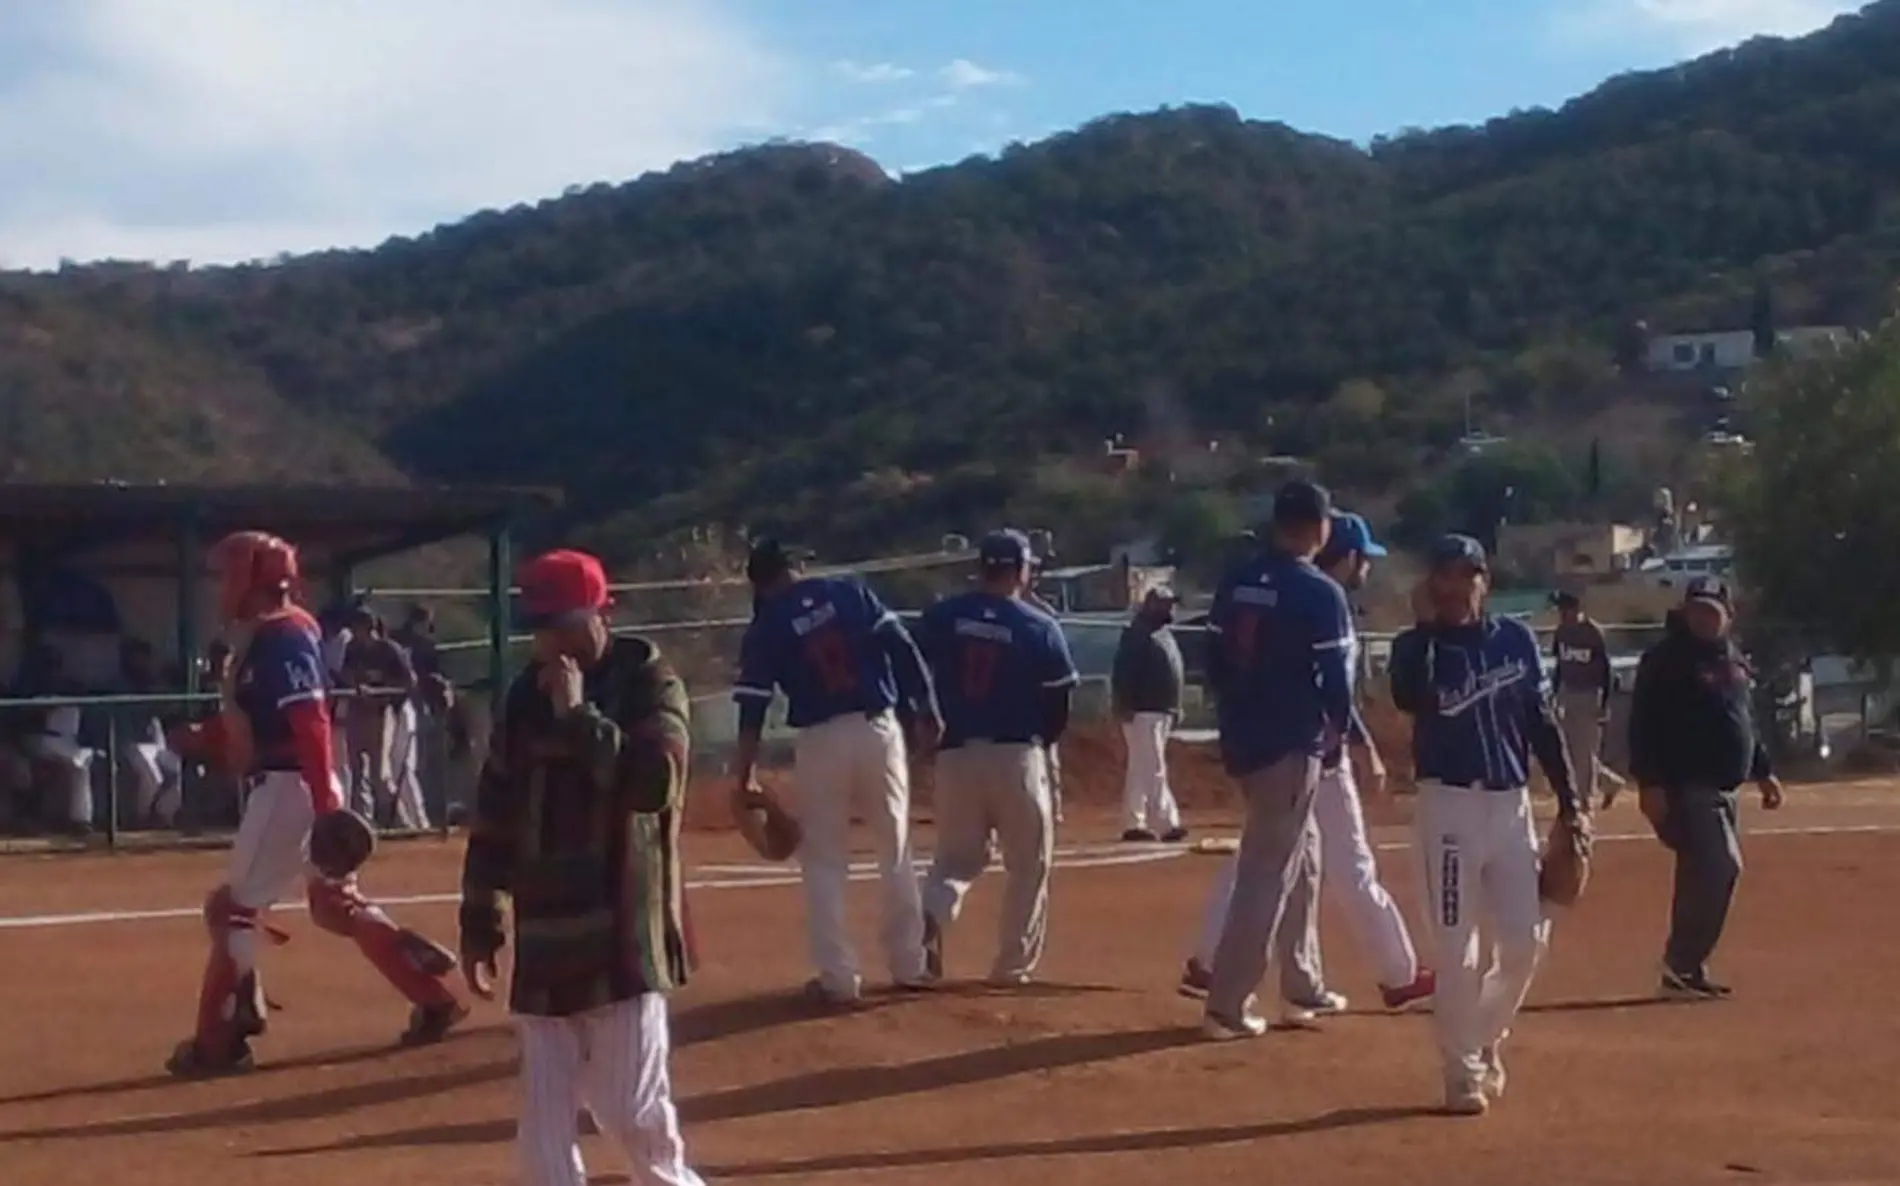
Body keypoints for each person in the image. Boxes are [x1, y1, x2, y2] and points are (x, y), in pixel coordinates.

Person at [166, 530, 464, 1078]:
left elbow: (309, 721)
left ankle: (218, 1041)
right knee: (332, 906)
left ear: (255, 579)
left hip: (292, 785)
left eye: (230, 574)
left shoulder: (283, 638)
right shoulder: (265, 636)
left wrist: (326, 802)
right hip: (301, 780)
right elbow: (267, 721)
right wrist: (206, 734)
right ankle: (433, 994)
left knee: (232, 910)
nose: (222, 586)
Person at [460, 548, 705, 1186]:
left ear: (602, 611)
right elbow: (496, 808)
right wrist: (482, 918)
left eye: (563, 620)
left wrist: (578, 717)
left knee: (632, 1113)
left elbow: (655, 785)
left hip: (624, 932)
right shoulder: (522, 698)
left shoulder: (649, 681)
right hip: (546, 936)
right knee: (542, 1135)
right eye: (540, 622)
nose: (549, 637)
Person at [1182, 511, 1434, 1013]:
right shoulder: (1323, 599)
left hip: (1270, 740)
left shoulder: (1282, 590)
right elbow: (1332, 690)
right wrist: (1356, 745)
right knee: (1343, 863)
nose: (1368, 569)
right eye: (1363, 558)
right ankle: (1397, 974)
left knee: (1277, 860)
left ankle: (1252, 971)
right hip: (1314, 748)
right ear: (1346, 555)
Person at [1388, 534, 1584, 1116]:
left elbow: (1541, 724)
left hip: (1510, 806)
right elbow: (1407, 695)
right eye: (1446, 575)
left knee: (1525, 942)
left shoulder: (1516, 640)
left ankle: (1486, 1036)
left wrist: (1573, 800)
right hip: (1448, 807)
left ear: (1485, 582)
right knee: (1457, 951)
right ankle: (1461, 1070)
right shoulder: (1417, 648)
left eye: (1469, 575)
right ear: (1432, 584)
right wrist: (1424, 629)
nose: (1459, 586)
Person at [731, 538, 942, 1005]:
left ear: (760, 583)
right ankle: (910, 963)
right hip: (877, 729)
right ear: (797, 567)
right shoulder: (850, 592)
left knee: (824, 859)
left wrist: (743, 770)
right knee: (895, 844)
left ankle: (839, 977)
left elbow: (752, 704)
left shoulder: (767, 624)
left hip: (821, 739)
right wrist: (926, 707)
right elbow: (902, 647)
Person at [1198, 481, 1356, 1040]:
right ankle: (1228, 1002)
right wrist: (1344, 734)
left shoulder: (1239, 579)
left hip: (1245, 735)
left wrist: (1235, 712)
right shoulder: (1317, 591)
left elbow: (1212, 660)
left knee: (1303, 855)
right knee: (1268, 870)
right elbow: (1336, 681)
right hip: (1290, 742)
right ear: (1320, 527)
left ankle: (1302, 980)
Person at [913, 529, 1079, 985]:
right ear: (1021, 571)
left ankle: (927, 923)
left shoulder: (943, 616)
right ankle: (1012, 966)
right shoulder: (1038, 624)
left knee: (955, 860)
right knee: (1029, 863)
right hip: (1016, 752)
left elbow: (907, 663)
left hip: (955, 752)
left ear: (981, 567)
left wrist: (924, 719)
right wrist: (1043, 744)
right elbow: (1059, 701)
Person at [1623, 576, 1784, 999]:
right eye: (1697, 609)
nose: (1703, 618)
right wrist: (1650, 783)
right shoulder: (1666, 659)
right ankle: (1681, 963)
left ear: (1728, 615)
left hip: (1727, 787)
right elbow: (1643, 725)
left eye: (1712, 611)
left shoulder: (1732, 657)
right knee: (1721, 866)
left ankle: (1684, 969)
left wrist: (1764, 771)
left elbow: (1745, 720)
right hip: (1687, 787)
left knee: (1699, 876)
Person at [1112, 586, 1188, 843]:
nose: (1171, 609)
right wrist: (1124, 704)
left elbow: (1174, 672)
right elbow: (1123, 672)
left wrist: (1176, 707)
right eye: (1166, 604)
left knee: (1140, 768)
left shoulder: (1162, 634)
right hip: (1142, 710)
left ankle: (1133, 821)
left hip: (1161, 710)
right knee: (1154, 767)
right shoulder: (1137, 634)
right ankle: (1166, 822)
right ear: (1151, 605)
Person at [340, 607, 424, 828]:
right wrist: (356, 685)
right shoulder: (353, 649)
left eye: (358, 628)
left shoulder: (388, 650)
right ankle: (364, 823)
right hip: (358, 712)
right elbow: (346, 674)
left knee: (380, 774)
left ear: (369, 628)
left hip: (380, 713)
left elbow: (409, 681)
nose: (355, 633)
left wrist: (381, 693)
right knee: (357, 772)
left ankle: (401, 822)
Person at [1550, 591, 1618, 809]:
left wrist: (1604, 702)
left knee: (1585, 750)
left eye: (1565, 609)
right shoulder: (1561, 633)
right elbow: (1560, 665)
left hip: (1590, 695)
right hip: (1568, 693)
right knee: (1569, 749)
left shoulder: (1592, 632)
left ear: (1577, 609)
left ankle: (1585, 799)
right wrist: (1555, 693)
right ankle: (1609, 782)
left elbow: (1607, 670)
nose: (1562, 614)